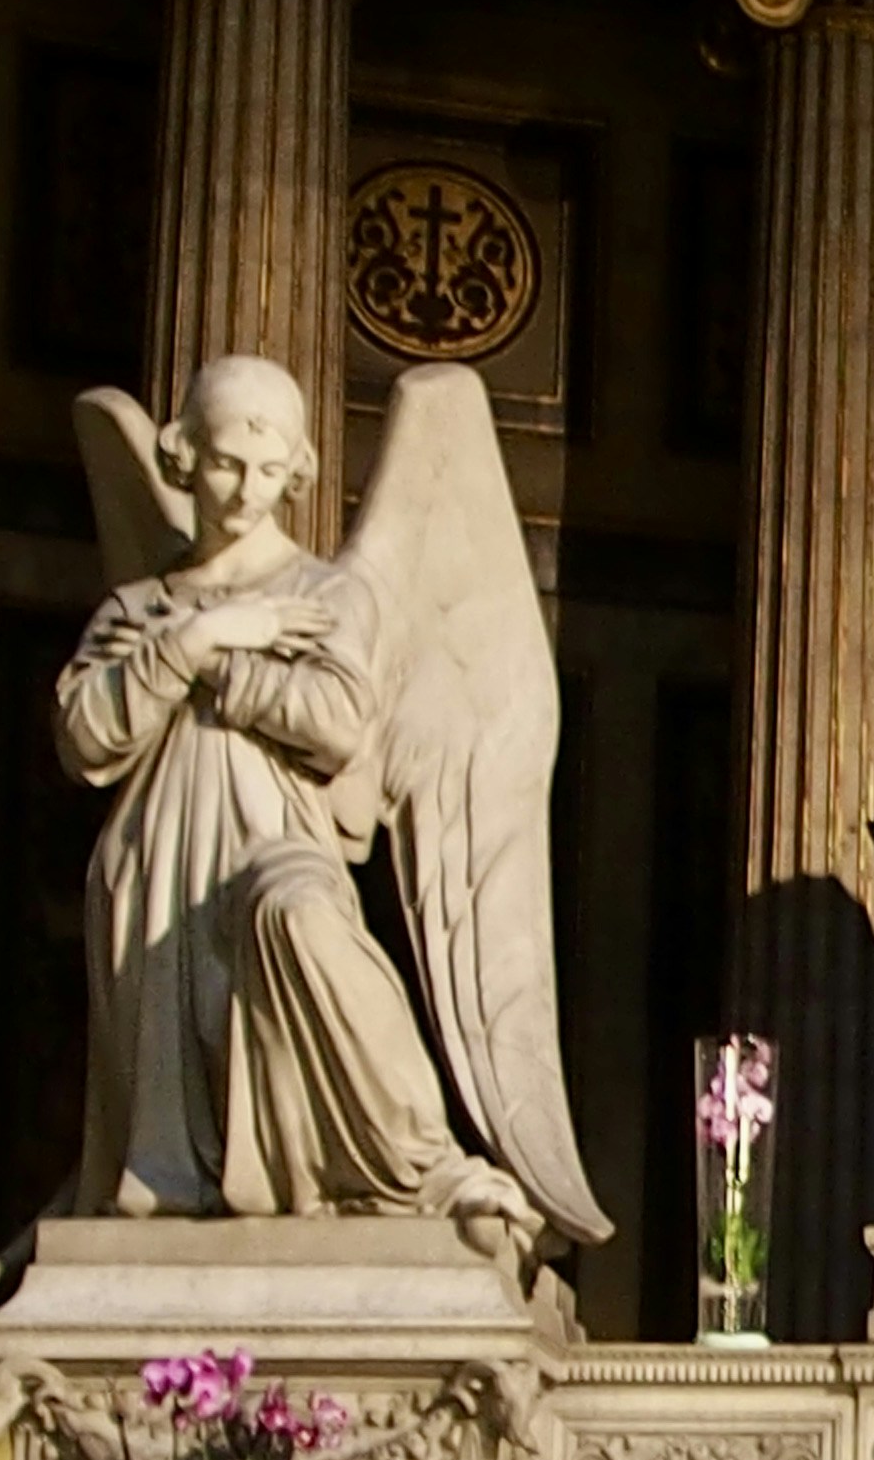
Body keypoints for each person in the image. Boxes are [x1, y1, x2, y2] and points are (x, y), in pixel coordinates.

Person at [53, 357, 540, 1245]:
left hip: (271, 840)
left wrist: (219, 663)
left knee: (299, 921)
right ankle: (190, 1204)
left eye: (269, 470)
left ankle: (419, 1163)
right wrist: (198, 633)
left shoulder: (327, 594)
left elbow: (335, 722)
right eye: (228, 464)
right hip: (154, 868)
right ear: (183, 457)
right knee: (185, 1060)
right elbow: (85, 735)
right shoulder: (140, 605)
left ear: (296, 471)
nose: (246, 492)